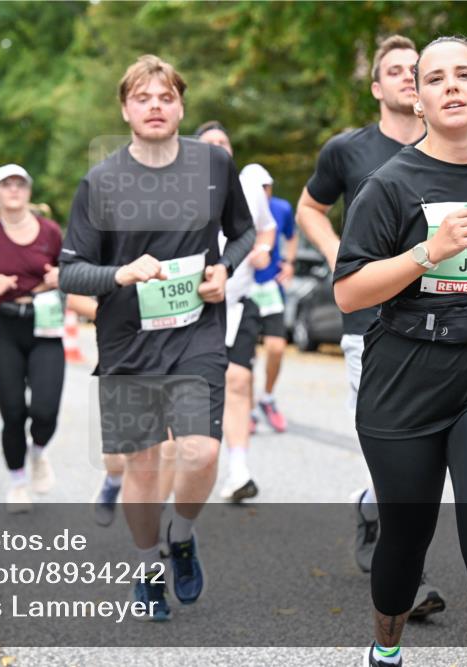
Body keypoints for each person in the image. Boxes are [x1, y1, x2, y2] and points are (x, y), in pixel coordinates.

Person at [334, 36, 467, 667]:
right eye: (435, 78)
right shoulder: (388, 185)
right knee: (406, 539)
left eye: (463, 75)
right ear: (419, 101)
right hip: (405, 376)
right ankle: (386, 646)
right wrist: (428, 252)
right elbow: (349, 292)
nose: (451, 85)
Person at [59, 55, 254, 620]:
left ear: (181, 107)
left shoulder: (214, 165)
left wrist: (224, 270)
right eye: (142, 98)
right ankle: (147, 569)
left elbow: (243, 234)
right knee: (142, 467)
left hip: (197, 331)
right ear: (125, 109)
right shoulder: (101, 182)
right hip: (128, 339)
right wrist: (120, 274)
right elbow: (71, 271)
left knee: (201, 450)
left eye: (166, 97)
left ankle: (182, 535)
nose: (155, 107)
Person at [296, 35, 441, 599]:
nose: (408, 76)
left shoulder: (448, 146)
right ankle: (411, 579)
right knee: (402, 447)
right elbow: (310, 208)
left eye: (416, 68)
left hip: (440, 322)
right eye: (396, 70)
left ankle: (370, 507)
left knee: (427, 451)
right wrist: (340, 255)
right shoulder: (347, 150)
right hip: (371, 324)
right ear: (377, 87)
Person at [0, 164, 65, 512]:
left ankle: (38, 452)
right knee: (13, 410)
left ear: (29, 191)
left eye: (20, 183)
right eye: (6, 184)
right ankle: (18, 481)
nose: (14, 189)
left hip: (45, 324)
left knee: (46, 409)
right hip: (4, 328)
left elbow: (74, 271)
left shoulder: (50, 232)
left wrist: (61, 276)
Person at [196, 120, 276, 502]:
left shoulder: (248, 187)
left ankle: (239, 470)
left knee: (239, 381)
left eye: (223, 141)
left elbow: (265, 228)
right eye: (209, 142)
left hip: (238, 302)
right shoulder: (181, 189)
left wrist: (263, 252)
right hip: (193, 307)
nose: (218, 146)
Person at [251, 170, 298, 433]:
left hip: (271, 287)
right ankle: (246, 408)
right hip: (244, 288)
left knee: (277, 347)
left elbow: (292, 235)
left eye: (266, 187)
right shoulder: (236, 207)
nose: (263, 192)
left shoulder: (281, 208)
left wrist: (289, 263)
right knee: (245, 355)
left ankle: (267, 398)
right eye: (257, 187)